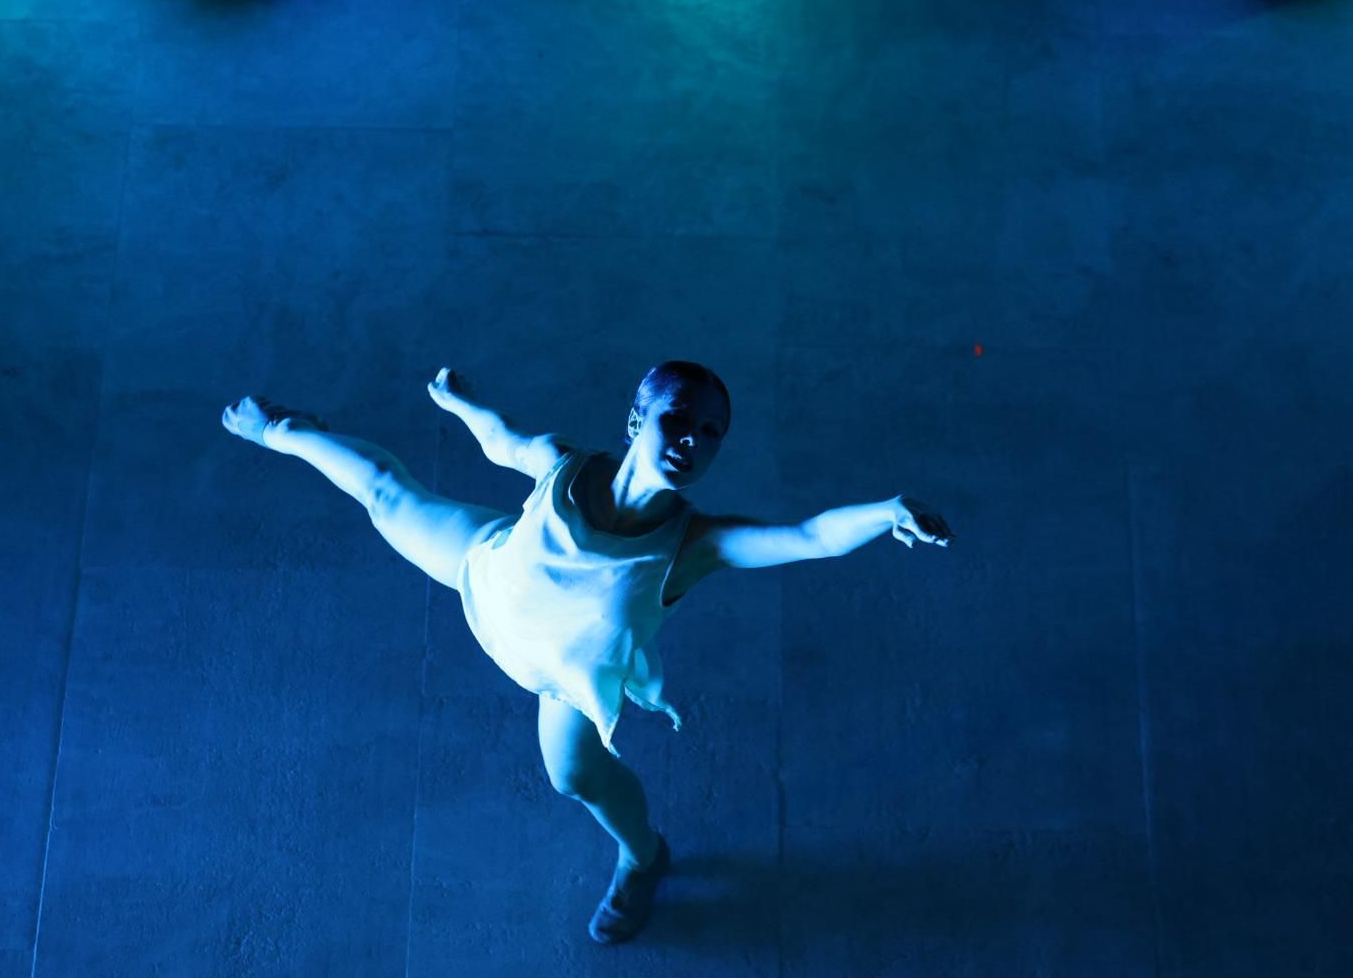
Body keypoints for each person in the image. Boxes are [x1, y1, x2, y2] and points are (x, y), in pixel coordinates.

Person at [221, 361, 956, 944]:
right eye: (677, 418)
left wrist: (887, 511)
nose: (692, 440)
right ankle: (282, 430)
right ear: (638, 418)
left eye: (711, 431)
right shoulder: (564, 464)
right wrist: (462, 406)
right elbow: (500, 441)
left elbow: (808, 536)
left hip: (561, 678)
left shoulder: (694, 546)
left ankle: (642, 856)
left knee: (573, 778)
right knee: (384, 492)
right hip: (485, 565)